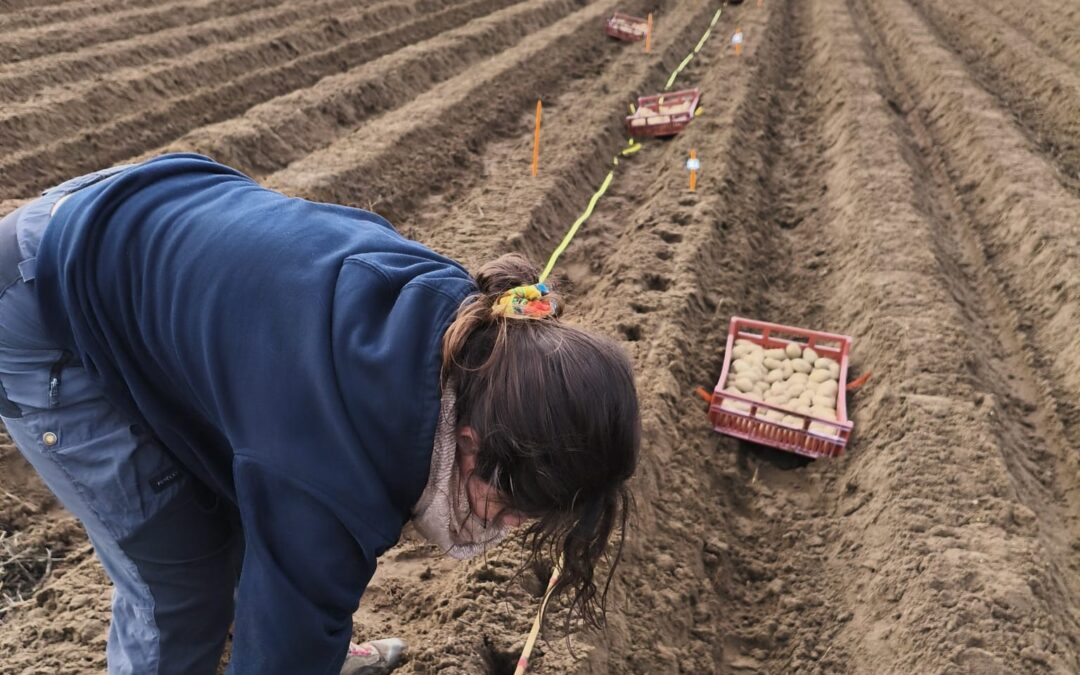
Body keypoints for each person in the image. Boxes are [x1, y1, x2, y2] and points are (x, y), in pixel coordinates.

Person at [0, 154, 640, 674]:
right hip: (43, 293)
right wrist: (293, 649)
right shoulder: (331, 475)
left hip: (152, 212)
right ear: (470, 441)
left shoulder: (474, 328)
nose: (508, 524)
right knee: (180, 583)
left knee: (256, 513)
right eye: (513, 505)